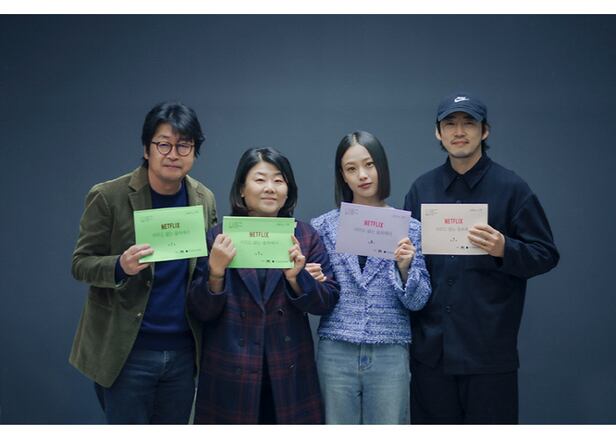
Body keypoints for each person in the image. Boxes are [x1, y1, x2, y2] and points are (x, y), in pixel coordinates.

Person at [403, 92, 560, 424]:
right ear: (438, 133)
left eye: (469, 123)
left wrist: (505, 248)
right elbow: (412, 263)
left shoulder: (512, 188)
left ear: (484, 131)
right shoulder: (421, 190)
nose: (459, 131)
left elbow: (545, 254)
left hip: (489, 352)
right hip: (432, 353)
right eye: (450, 124)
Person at [70, 101, 217, 424]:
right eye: (163, 144)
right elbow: (80, 263)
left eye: (184, 145)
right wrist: (119, 266)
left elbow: (203, 268)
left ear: (194, 151)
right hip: (127, 351)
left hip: (183, 351)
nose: (173, 154)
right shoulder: (109, 196)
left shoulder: (203, 198)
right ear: (147, 149)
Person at [187, 147, 340, 424]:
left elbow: (326, 301)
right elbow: (200, 311)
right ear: (241, 189)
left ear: (288, 190)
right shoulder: (219, 237)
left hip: (288, 370)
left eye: (278, 180)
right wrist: (216, 272)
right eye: (260, 179)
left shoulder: (305, 236)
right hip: (231, 372)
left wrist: (297, 277)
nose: (270, 188)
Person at [309, 131, 431, 424]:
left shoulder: (409, 228)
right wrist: (313, 280)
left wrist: (405, 268)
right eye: (351, 169)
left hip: (390, 349)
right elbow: (317, 298)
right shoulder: (323, 227)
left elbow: (418, 301)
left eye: (369, 165)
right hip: (336, 349)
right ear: (343, 176)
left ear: (381, 166)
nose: (362, 175)